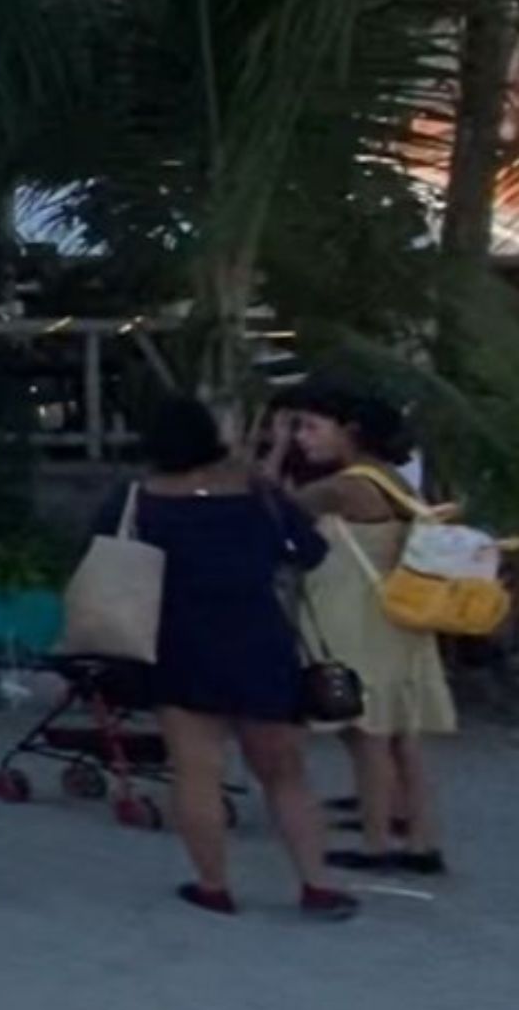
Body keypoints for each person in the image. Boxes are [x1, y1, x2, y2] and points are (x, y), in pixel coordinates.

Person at [99, 397, 353, 918]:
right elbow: (310, 552)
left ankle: (214, 885)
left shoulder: (137, 500)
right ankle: (316, 883)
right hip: (258, 638)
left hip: (176, 641)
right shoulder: (257, 495)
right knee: (284, 772)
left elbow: (99, 555)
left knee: (197, 771)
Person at [272, 383, 458, 876]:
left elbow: (271, 508)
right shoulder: (395, 483)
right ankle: (421, 840)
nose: (302, 438)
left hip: (358, 618)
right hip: (400, 617)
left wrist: (271, 448)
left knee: (367, 734)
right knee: (402, 735)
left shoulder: (344, 487)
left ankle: (377, 843)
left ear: (349, 432)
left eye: (311, 427)